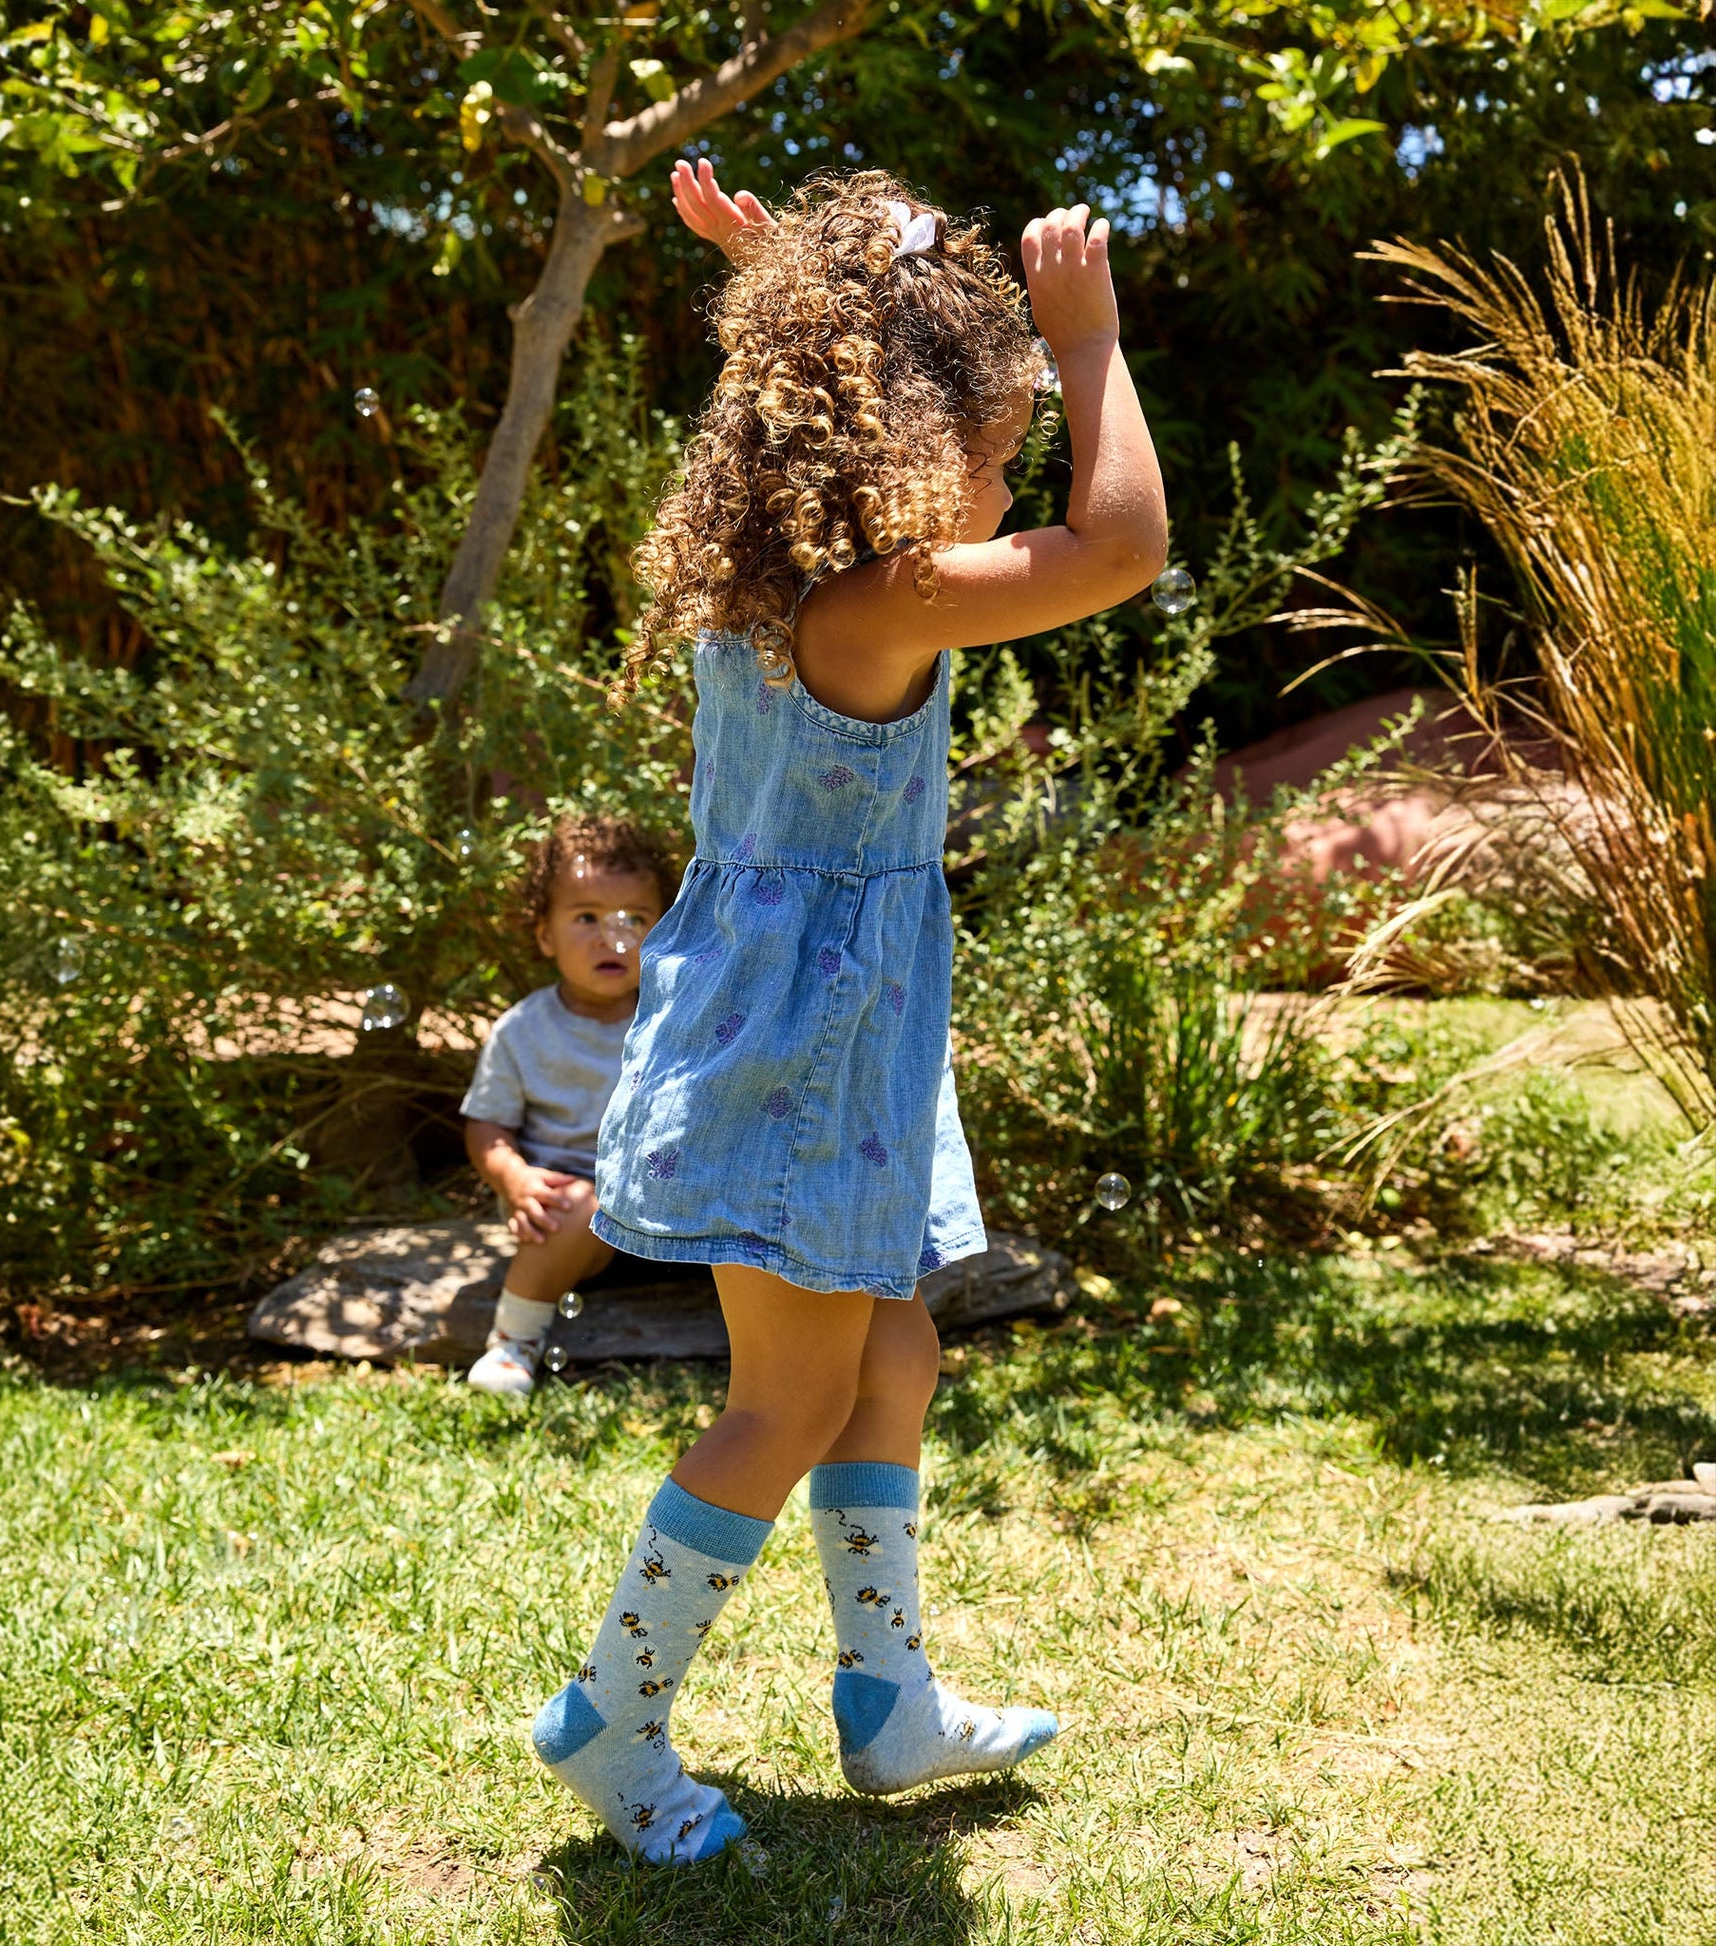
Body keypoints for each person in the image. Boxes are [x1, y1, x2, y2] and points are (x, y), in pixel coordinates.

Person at [530, 163, 1167, 1864]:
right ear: (898, 434)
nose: (1011, 475)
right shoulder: (882, 602)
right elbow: (1123, 547)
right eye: (1001, 443)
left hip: (815, 1032)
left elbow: (816, 385)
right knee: (789, 1398)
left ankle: (887, 1701)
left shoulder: (786, 577)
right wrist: (1087, 343)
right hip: (807, 1052)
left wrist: (785, 275)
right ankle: (609, 1718)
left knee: (892, 1347)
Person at [460, 815, 674, 1397]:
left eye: (634, 918)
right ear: (545, 935)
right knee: (581, 1206)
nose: (611, 936)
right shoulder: (524, 1030)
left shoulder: (678, 1019)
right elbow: (487, 1124)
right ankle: (513, 1342)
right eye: (585, 918)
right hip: (563, 1209)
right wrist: (515, 1178)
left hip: (669, 1212)